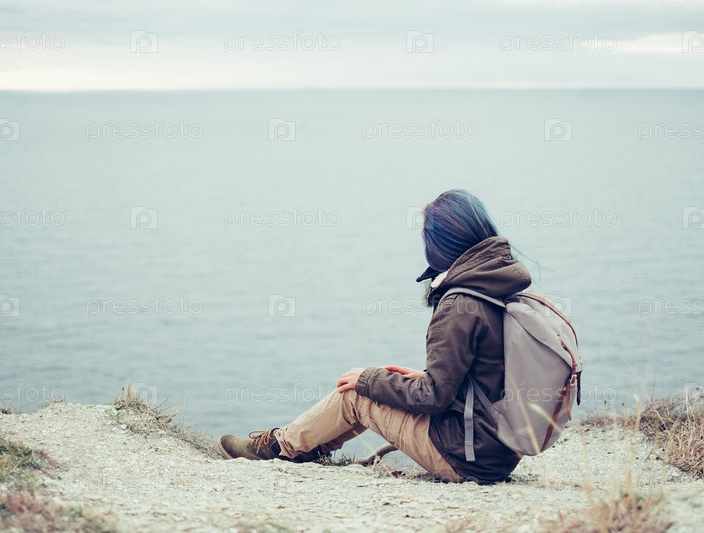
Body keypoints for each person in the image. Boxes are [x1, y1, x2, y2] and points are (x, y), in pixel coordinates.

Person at [218, 189, 532, 483]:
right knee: (372, 382)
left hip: (465, 457)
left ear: (439, 246)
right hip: (496, 451)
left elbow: (434, 397)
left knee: (356, 393)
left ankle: (279, 448)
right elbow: (486, 372)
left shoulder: (459, 304)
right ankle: (304, 448)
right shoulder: (497, 285)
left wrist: (370, 380)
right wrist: (423, 377)